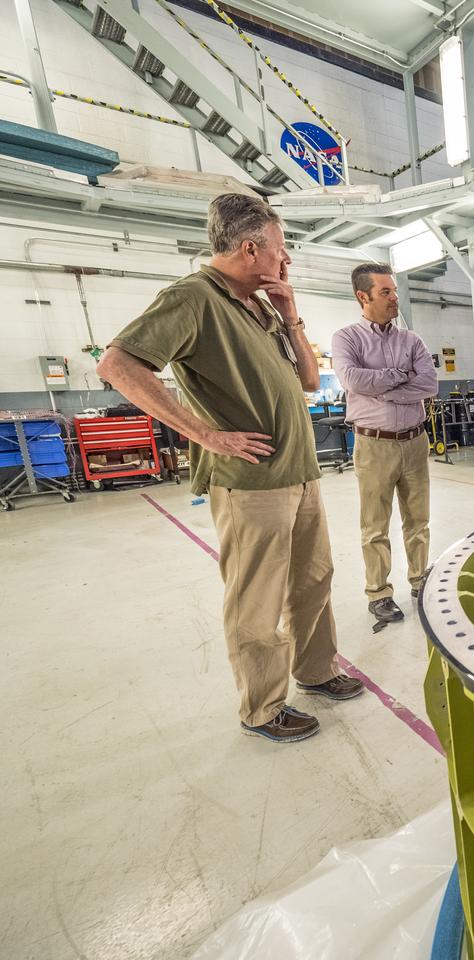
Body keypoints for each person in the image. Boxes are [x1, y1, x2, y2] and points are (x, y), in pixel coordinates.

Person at [96, 193, 363, 744]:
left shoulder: (260, 306)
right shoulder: (193, 298)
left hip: (300, 471)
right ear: (250, 249)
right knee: (256, 598)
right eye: (280, 248)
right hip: (252, 482)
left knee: (313, 580)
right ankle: (262, 708)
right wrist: (204, 434)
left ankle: (316, 670)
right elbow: (118, 364)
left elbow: (308, 381)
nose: (286, 259)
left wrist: (291, 316)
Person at [331, 264, 438, 624]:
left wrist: (382, 390)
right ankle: (379, 593)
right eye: (385, 292)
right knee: (375, 524)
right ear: (363, 296)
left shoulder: (412, 341)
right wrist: (399, 377)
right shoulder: (347, 339)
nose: (395, 298)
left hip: (415, 441)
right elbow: (353, 380)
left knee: (418, 519)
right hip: (374, 445)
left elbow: (428, 385)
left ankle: (419, 580)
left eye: (394, 290)